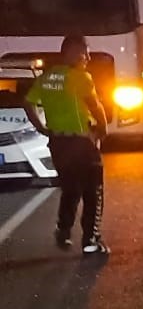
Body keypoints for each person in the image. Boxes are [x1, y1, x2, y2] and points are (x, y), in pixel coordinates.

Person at [23, 34, 109, 256]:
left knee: (70, 189)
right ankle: (91, 239)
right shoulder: (80, 77)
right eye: (85, 52)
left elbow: (28, 102)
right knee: (93, 191)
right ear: (74, 52)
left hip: (58, 143)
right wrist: (104, 127)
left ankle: (63, 230)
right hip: (81, 142)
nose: (88, 57)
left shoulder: (47, 78)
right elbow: (95, 106)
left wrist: (41, 128)